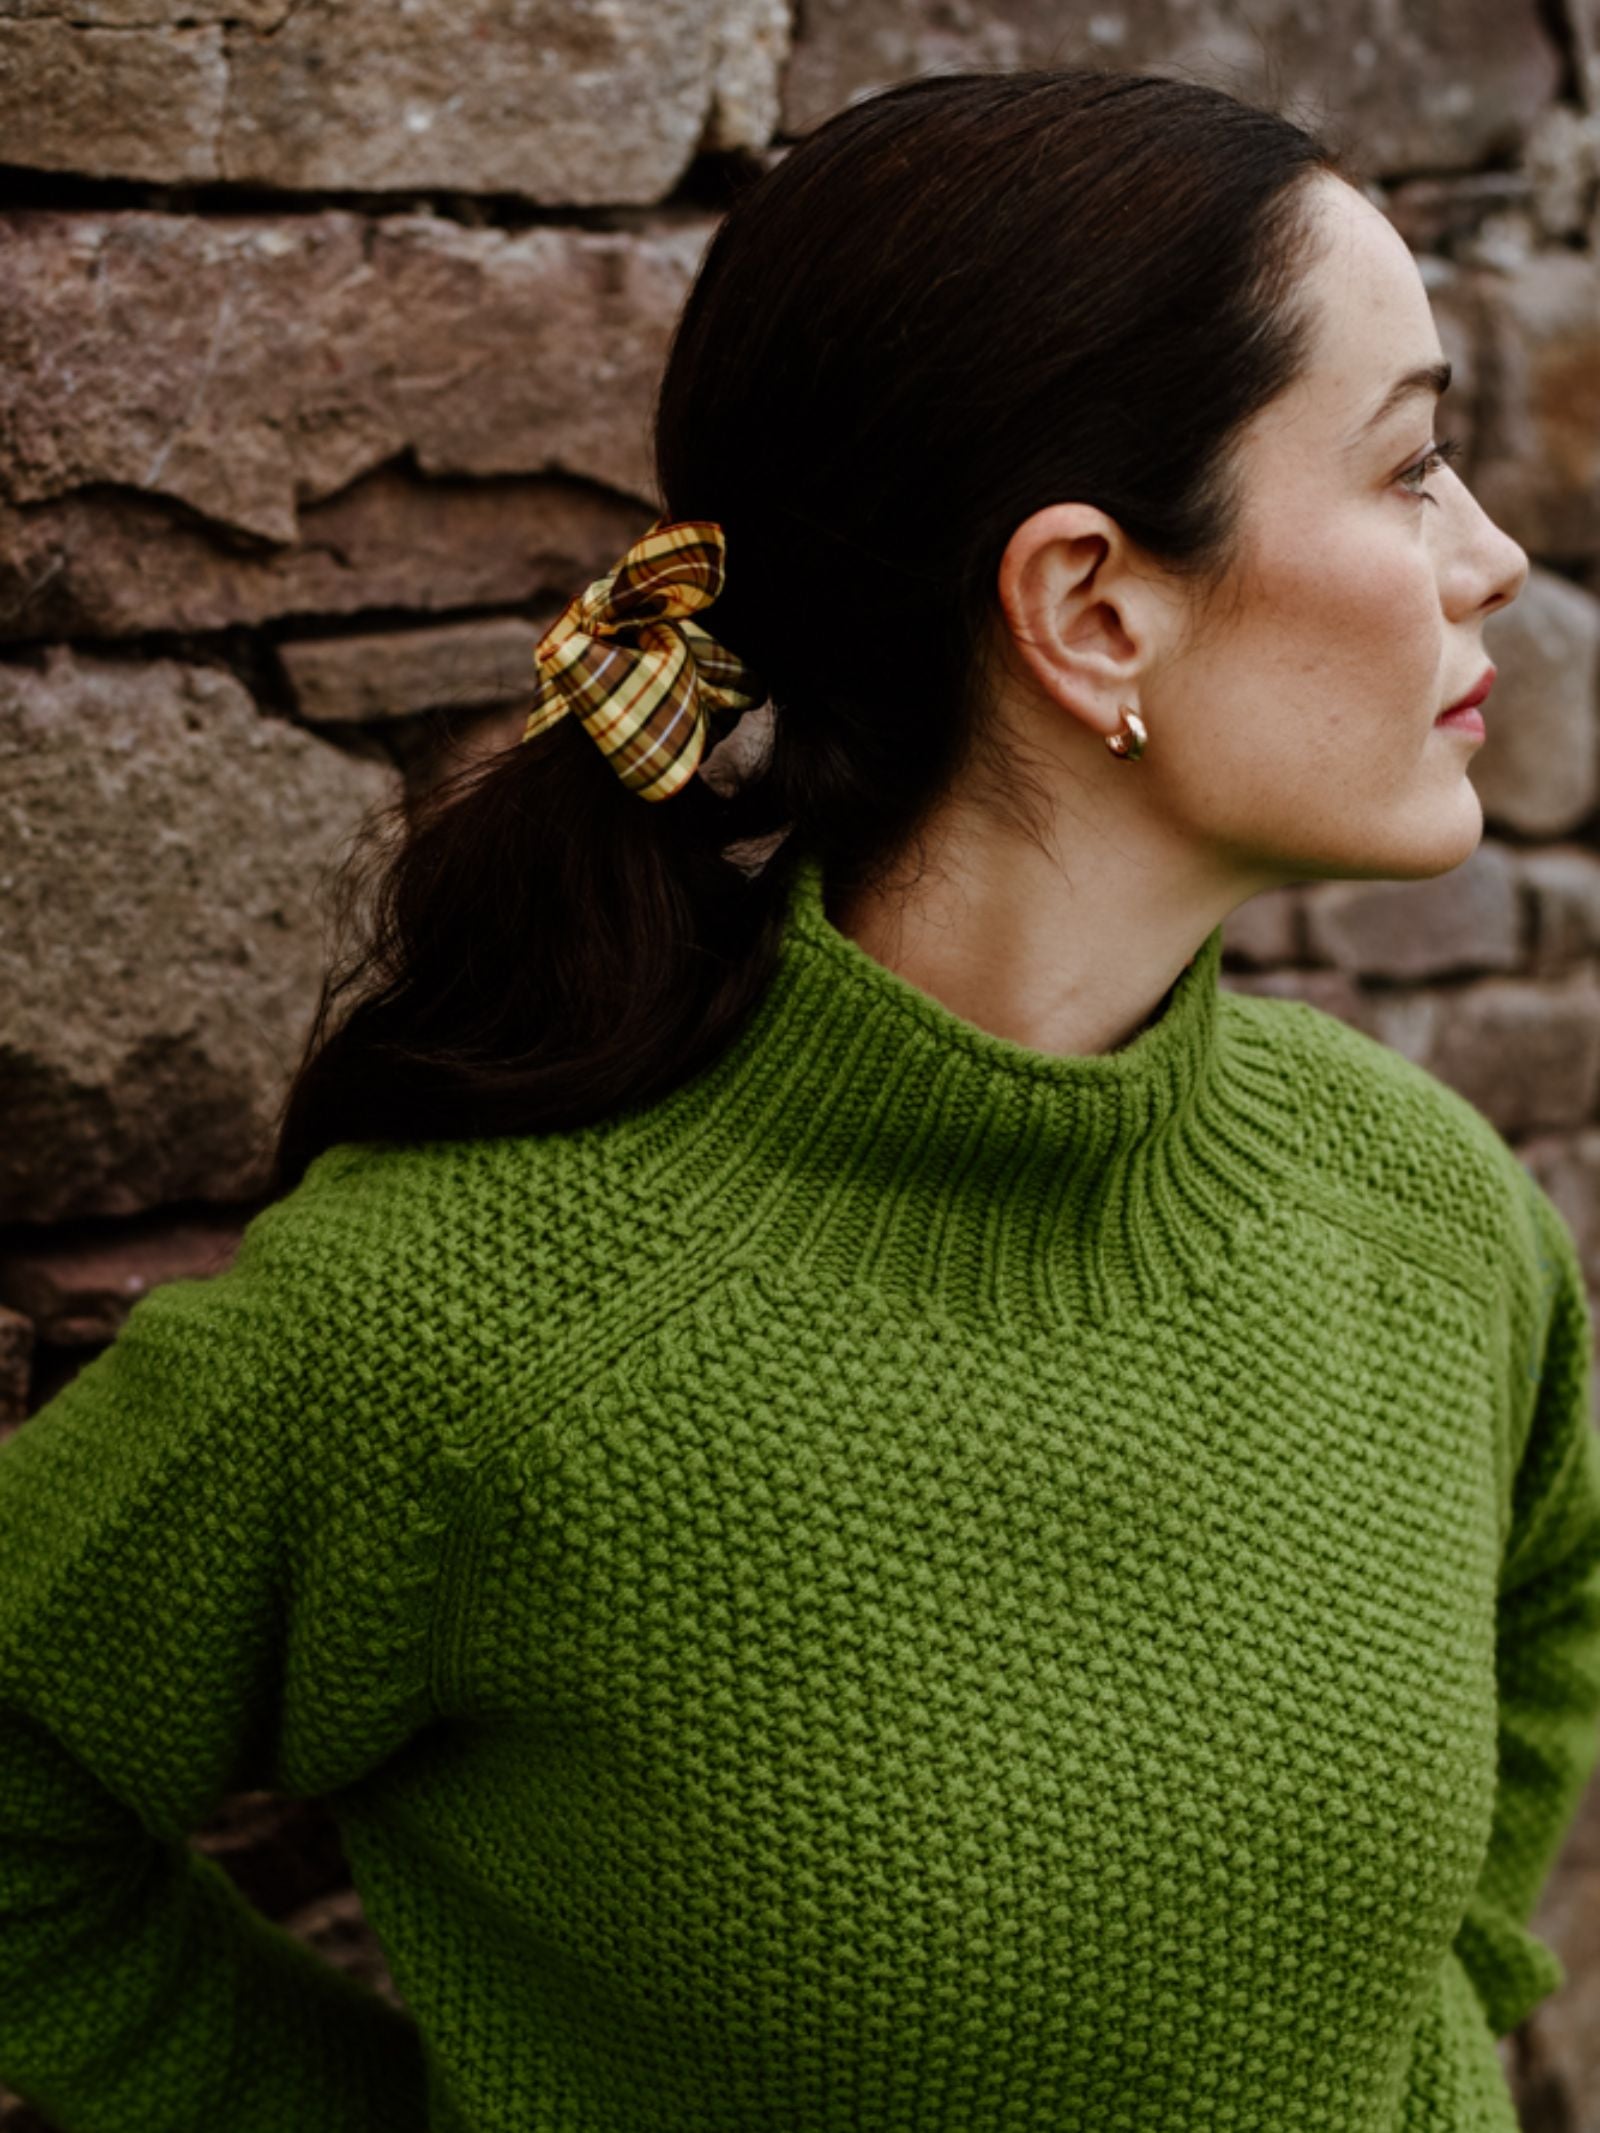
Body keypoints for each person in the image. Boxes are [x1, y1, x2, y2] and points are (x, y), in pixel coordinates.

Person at [2, 63, 1596, 2133]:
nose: (1484, 555)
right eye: (1404, 468)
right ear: (1088, 603)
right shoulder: (459, 1334)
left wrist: (1425, 2028)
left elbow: (1546, 1594)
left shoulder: (1417, 1204)